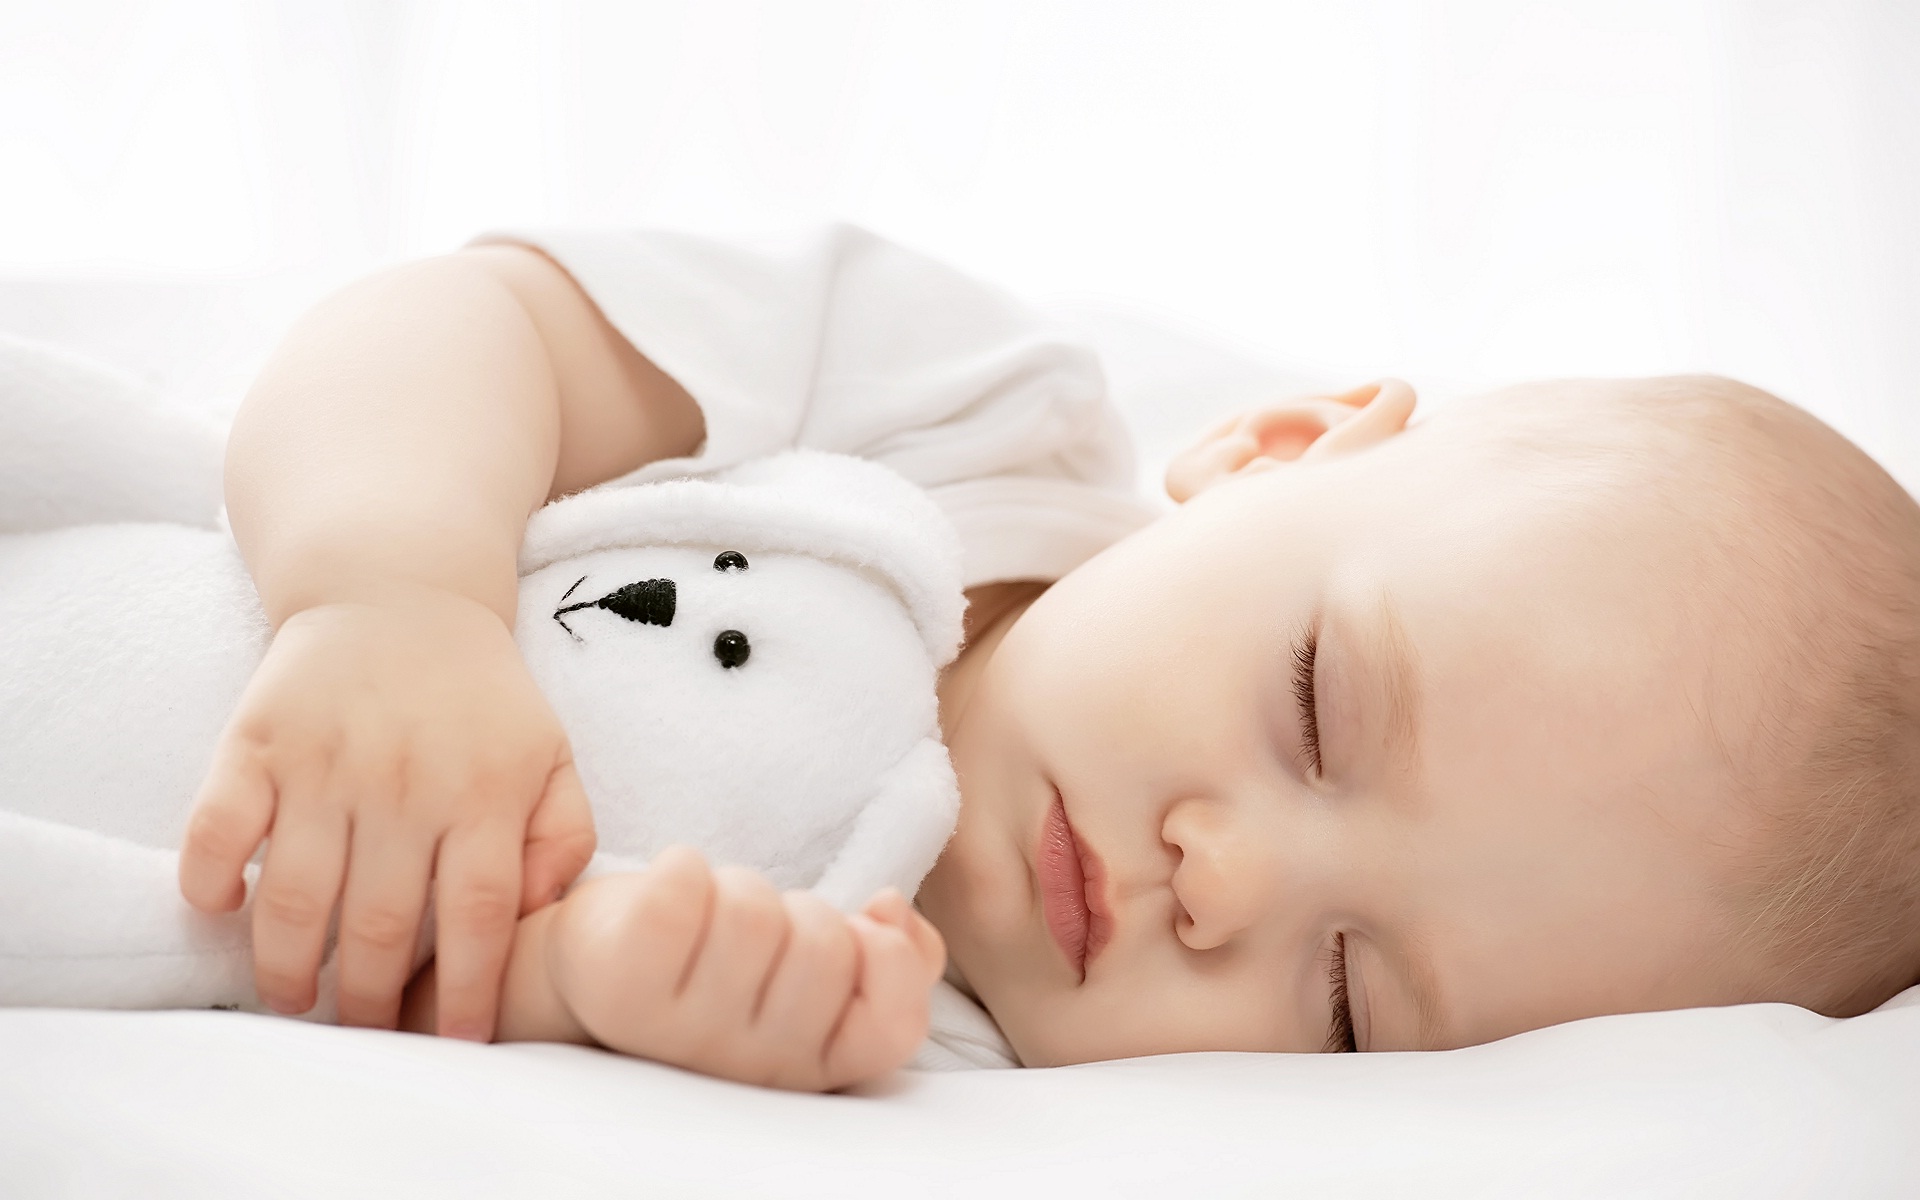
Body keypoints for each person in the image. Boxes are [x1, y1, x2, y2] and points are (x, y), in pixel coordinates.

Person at [175, 225, 1920, 1090]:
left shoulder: (927, 1059)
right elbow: (464, 320)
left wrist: (600, 988)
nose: (1222, 883)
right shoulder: (959, 411)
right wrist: (386, 600)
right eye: (1315, 706)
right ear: (1275, 449)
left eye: (1348, 1005)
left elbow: (371, 975)